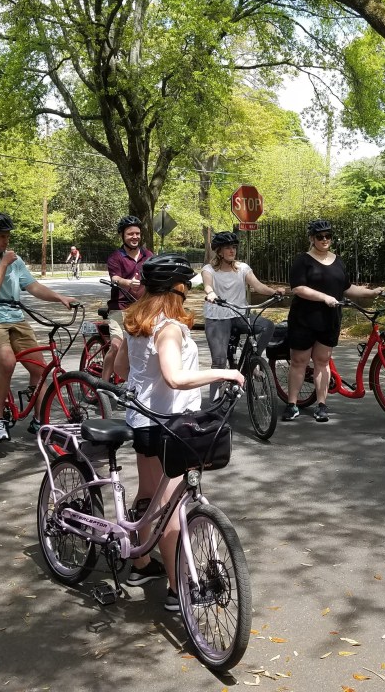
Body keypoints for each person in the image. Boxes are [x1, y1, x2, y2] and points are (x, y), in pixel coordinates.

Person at [113, 254, 243, 611]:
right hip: (171, 425)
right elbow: (174, 377)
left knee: (151, 496)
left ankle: (140, 564)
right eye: (186, 286)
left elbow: (122, 368)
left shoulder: (136, 320)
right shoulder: (169, 326)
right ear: (178, 289)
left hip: (143, 422)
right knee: (173, 510)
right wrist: (223, 373)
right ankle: (177, 589)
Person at [0, 213, 76, 442]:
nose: (6, 241)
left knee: (40, 370)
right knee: (7, 362)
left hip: (16, 319)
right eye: (2, 236)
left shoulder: (15, 260)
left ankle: (40, 421)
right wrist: (2, 264)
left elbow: (33, 286)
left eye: (8, 236)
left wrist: (60, 297)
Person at [283, 219, 383, 423]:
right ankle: (292, 404)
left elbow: (346, 288)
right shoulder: (303, 261)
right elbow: (298, 288)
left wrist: (371, 292)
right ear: (312, 239)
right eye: (320, 236)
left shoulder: (338, 261)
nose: (325, 239)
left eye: (328, 236)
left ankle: (321, 404)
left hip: (329, 319)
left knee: (322, 361)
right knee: (299, 361)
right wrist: (324, 297)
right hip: (304, 318)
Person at [201, 231, 286, 402]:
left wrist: (273, 292)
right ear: (219, 251)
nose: (232, 251)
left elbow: (258, 286)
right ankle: (214, 406)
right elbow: (208, 285)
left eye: (234, 247)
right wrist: (211, 294)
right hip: (217, 316)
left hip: (239, 314)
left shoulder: (242, 268)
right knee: (219, 361)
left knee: (267, 326)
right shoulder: (208, 269)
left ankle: (251, 360)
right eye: (227, 248)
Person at [101, 216, 154, 384]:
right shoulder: (116, 257)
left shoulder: (148, 255)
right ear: (122, 236)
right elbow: (115, 278)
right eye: (130, 234)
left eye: (137, 233)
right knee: (116, 347)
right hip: (120, 309)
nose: (134, 237)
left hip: (142, 309)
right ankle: (102, 385)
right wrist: (128, 283)